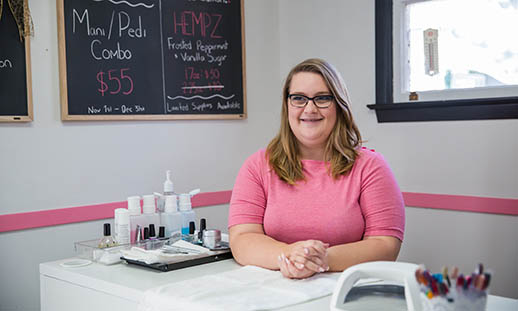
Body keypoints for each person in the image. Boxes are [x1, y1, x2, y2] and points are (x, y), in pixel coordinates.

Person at [228, 58, 405, 279]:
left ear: (339, 106)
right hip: (274, 290)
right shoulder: (257, 166)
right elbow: (242, 239)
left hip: (347, 292)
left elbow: (386, 245)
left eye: (322, 99)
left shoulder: (370, 167)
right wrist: (288, 254)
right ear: (287, 105)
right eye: (299, 98)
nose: (309, 108)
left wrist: (323, 259)